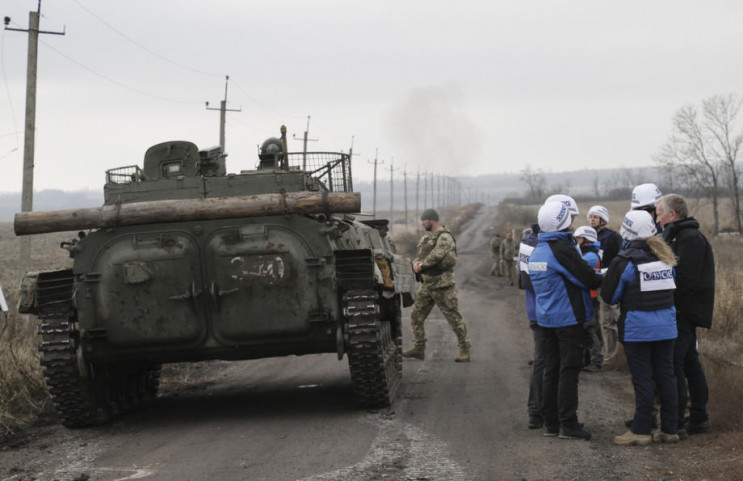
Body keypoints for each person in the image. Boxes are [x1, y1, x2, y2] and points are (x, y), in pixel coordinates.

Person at [601, 210, 679, 446]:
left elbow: (610, 296)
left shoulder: (624, 261)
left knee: (642, 378)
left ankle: (641, 430)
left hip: (639, 328)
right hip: (667, 326)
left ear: (627, 231)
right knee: (667, 376)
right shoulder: (666, 257)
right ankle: (669, 429)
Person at [528, 200, 603, 440]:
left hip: (546, 318)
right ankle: (568, 424)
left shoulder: (538, 249)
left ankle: (551, 423)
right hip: (567, 319)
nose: (572, 222)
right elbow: (587, 279)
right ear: (561, 221)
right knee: (569, 371)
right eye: (568, 218)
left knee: (551, 370)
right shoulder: (561, 248)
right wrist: (602, 275)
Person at [656, 194, 714, 438]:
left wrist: (666, 299)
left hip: (684, 311)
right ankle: (698, 417)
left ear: (672, 214)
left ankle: (677, 422)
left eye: (659, 213)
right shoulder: (677, 236)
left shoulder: (690, 238)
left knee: (675, 363)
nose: (657, 218)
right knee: (689, 361)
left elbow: (685, 280)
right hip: (682, 309)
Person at [402, 208, 471, 362]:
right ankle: (419, 348)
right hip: (427, 284)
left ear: (432, 220)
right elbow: (420, 256)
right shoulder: (426, 238)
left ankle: (464, 349)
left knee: (453, 317)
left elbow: (438, 254)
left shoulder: (444, 236)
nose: (422, 223)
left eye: (424, 220)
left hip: (442, 284)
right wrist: (415, 264)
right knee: (416, 315)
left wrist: (422, 265)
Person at [587, 205, 623, 362]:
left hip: (608, 284)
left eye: (595, 217)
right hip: (591, 284)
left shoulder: (612, 237)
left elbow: (620, 259)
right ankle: (600, 351)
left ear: (603, 219)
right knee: (595, 321)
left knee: (609, 320)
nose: (592, 219)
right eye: (591, 217)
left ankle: (611, 355)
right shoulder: (588, 237)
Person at [518, 222, 544, 429]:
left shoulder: (527, 244)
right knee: (548, 363)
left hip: (534, 308)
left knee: (540, 361)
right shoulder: (542, 246)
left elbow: (524, 278)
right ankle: (543, 413)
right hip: (550, 311)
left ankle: (535, 413)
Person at [573, 226, 604, 373]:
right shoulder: (587, 253)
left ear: (587, 239)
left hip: (589, 298)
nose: (576, 241)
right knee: (585, 330)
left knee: (590, 330)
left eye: (578, 239)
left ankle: (596, 361)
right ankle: (587, 360)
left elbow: (576, 268)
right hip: (585, 296)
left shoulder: (590, 256)